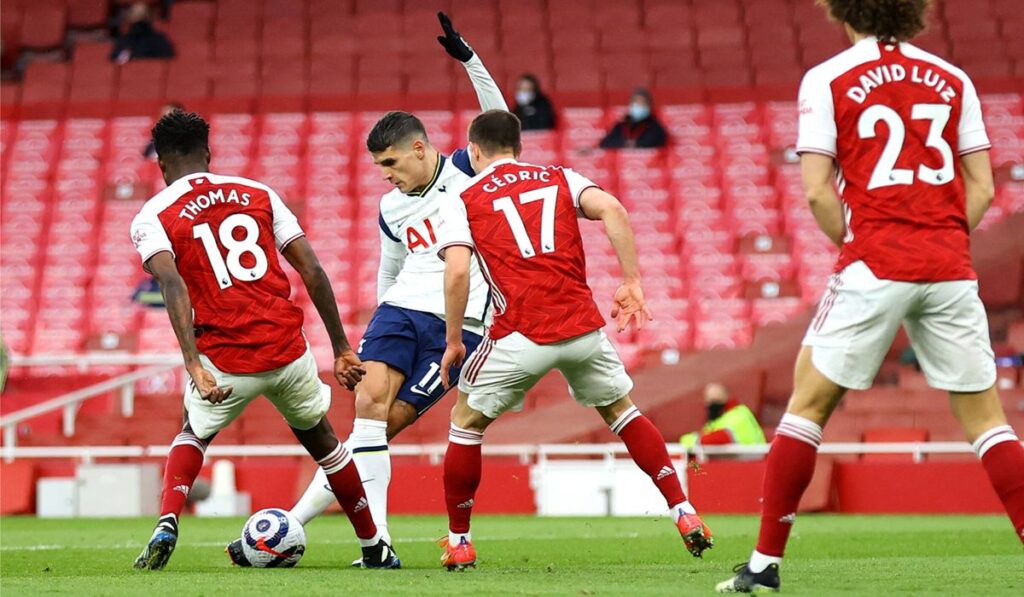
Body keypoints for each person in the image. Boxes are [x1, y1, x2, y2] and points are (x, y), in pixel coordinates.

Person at [716, 1, 1024, 592]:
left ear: (843, 9)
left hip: (875, 260)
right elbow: (982, 183)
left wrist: (858, 243)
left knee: (807, 407)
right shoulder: (953, 78)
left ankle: (763, 565)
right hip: (949, 266)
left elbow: (817, 192)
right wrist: (944, 236)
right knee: (989, 424)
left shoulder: (828, 78)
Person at [225, 12, 508, 567]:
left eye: (392, 163)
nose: (387, 175)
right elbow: (389, 268)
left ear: (423, 149)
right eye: (380, 167)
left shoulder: (466, 174)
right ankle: (376, 544)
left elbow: (496, 121)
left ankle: (292, 523)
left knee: (381, 431)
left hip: (461, 326)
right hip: (400, 313)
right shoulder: (390, 206)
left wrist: (470, 61)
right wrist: (365, 332)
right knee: (367, 414)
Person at [434, 109, 714, 570]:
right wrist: (632, 281)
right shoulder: (560, 176)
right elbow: (614, 210)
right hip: (582, 329)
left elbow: (458, 269)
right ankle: (684, 512)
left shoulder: (462, 197)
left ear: (474, 151)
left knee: (465, 425)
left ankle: (460, 541)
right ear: (519, 148)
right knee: (623, 413)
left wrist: (452, 341)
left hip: (518, 333)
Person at [129, 110, 398, 571]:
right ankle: (374, 546)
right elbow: (311, 269)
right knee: (327, 446)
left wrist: (192, 362)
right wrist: (340, 348)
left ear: (161, 164)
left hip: (226, 359)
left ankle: (167, 522)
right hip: (286, 351)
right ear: (208, 154)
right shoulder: (259, 193)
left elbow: (172, 286)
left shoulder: (152, 215)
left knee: (193, 432)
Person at [680, 383, 766, 449]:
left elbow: (722, 437)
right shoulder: (716, 420)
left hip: (754, 462)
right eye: (710, 401)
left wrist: (690, 440)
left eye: (717, 400)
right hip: (736, 463)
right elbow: (705, 435)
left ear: (726, 398)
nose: (713, 405)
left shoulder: (739, 413)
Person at [599, 88, 667, 149]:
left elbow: (658, 141)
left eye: (642, 103)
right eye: (636, 103)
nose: (639, 106)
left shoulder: (655, 126)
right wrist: (624, 143)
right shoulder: (621, 125)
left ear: (649, 107)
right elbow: (605, 142)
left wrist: (637, 144)